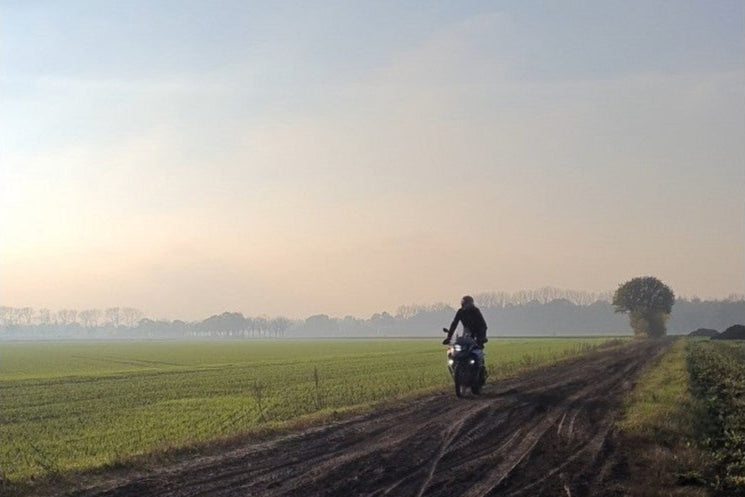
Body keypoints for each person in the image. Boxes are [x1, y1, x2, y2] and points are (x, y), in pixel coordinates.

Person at [443, 295, 488, 382]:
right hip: (467, 333)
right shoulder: (460, 312)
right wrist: (449, 337)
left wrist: (481, 338)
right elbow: (454, 323)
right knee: (454, 352)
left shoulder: (476, 311)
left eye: (470, 304)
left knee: (477, 352)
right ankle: (458, 372)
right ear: (463, 304)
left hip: (477, 333)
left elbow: (483, 325)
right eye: (467, 304)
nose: (469, 306)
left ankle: (480, 372)